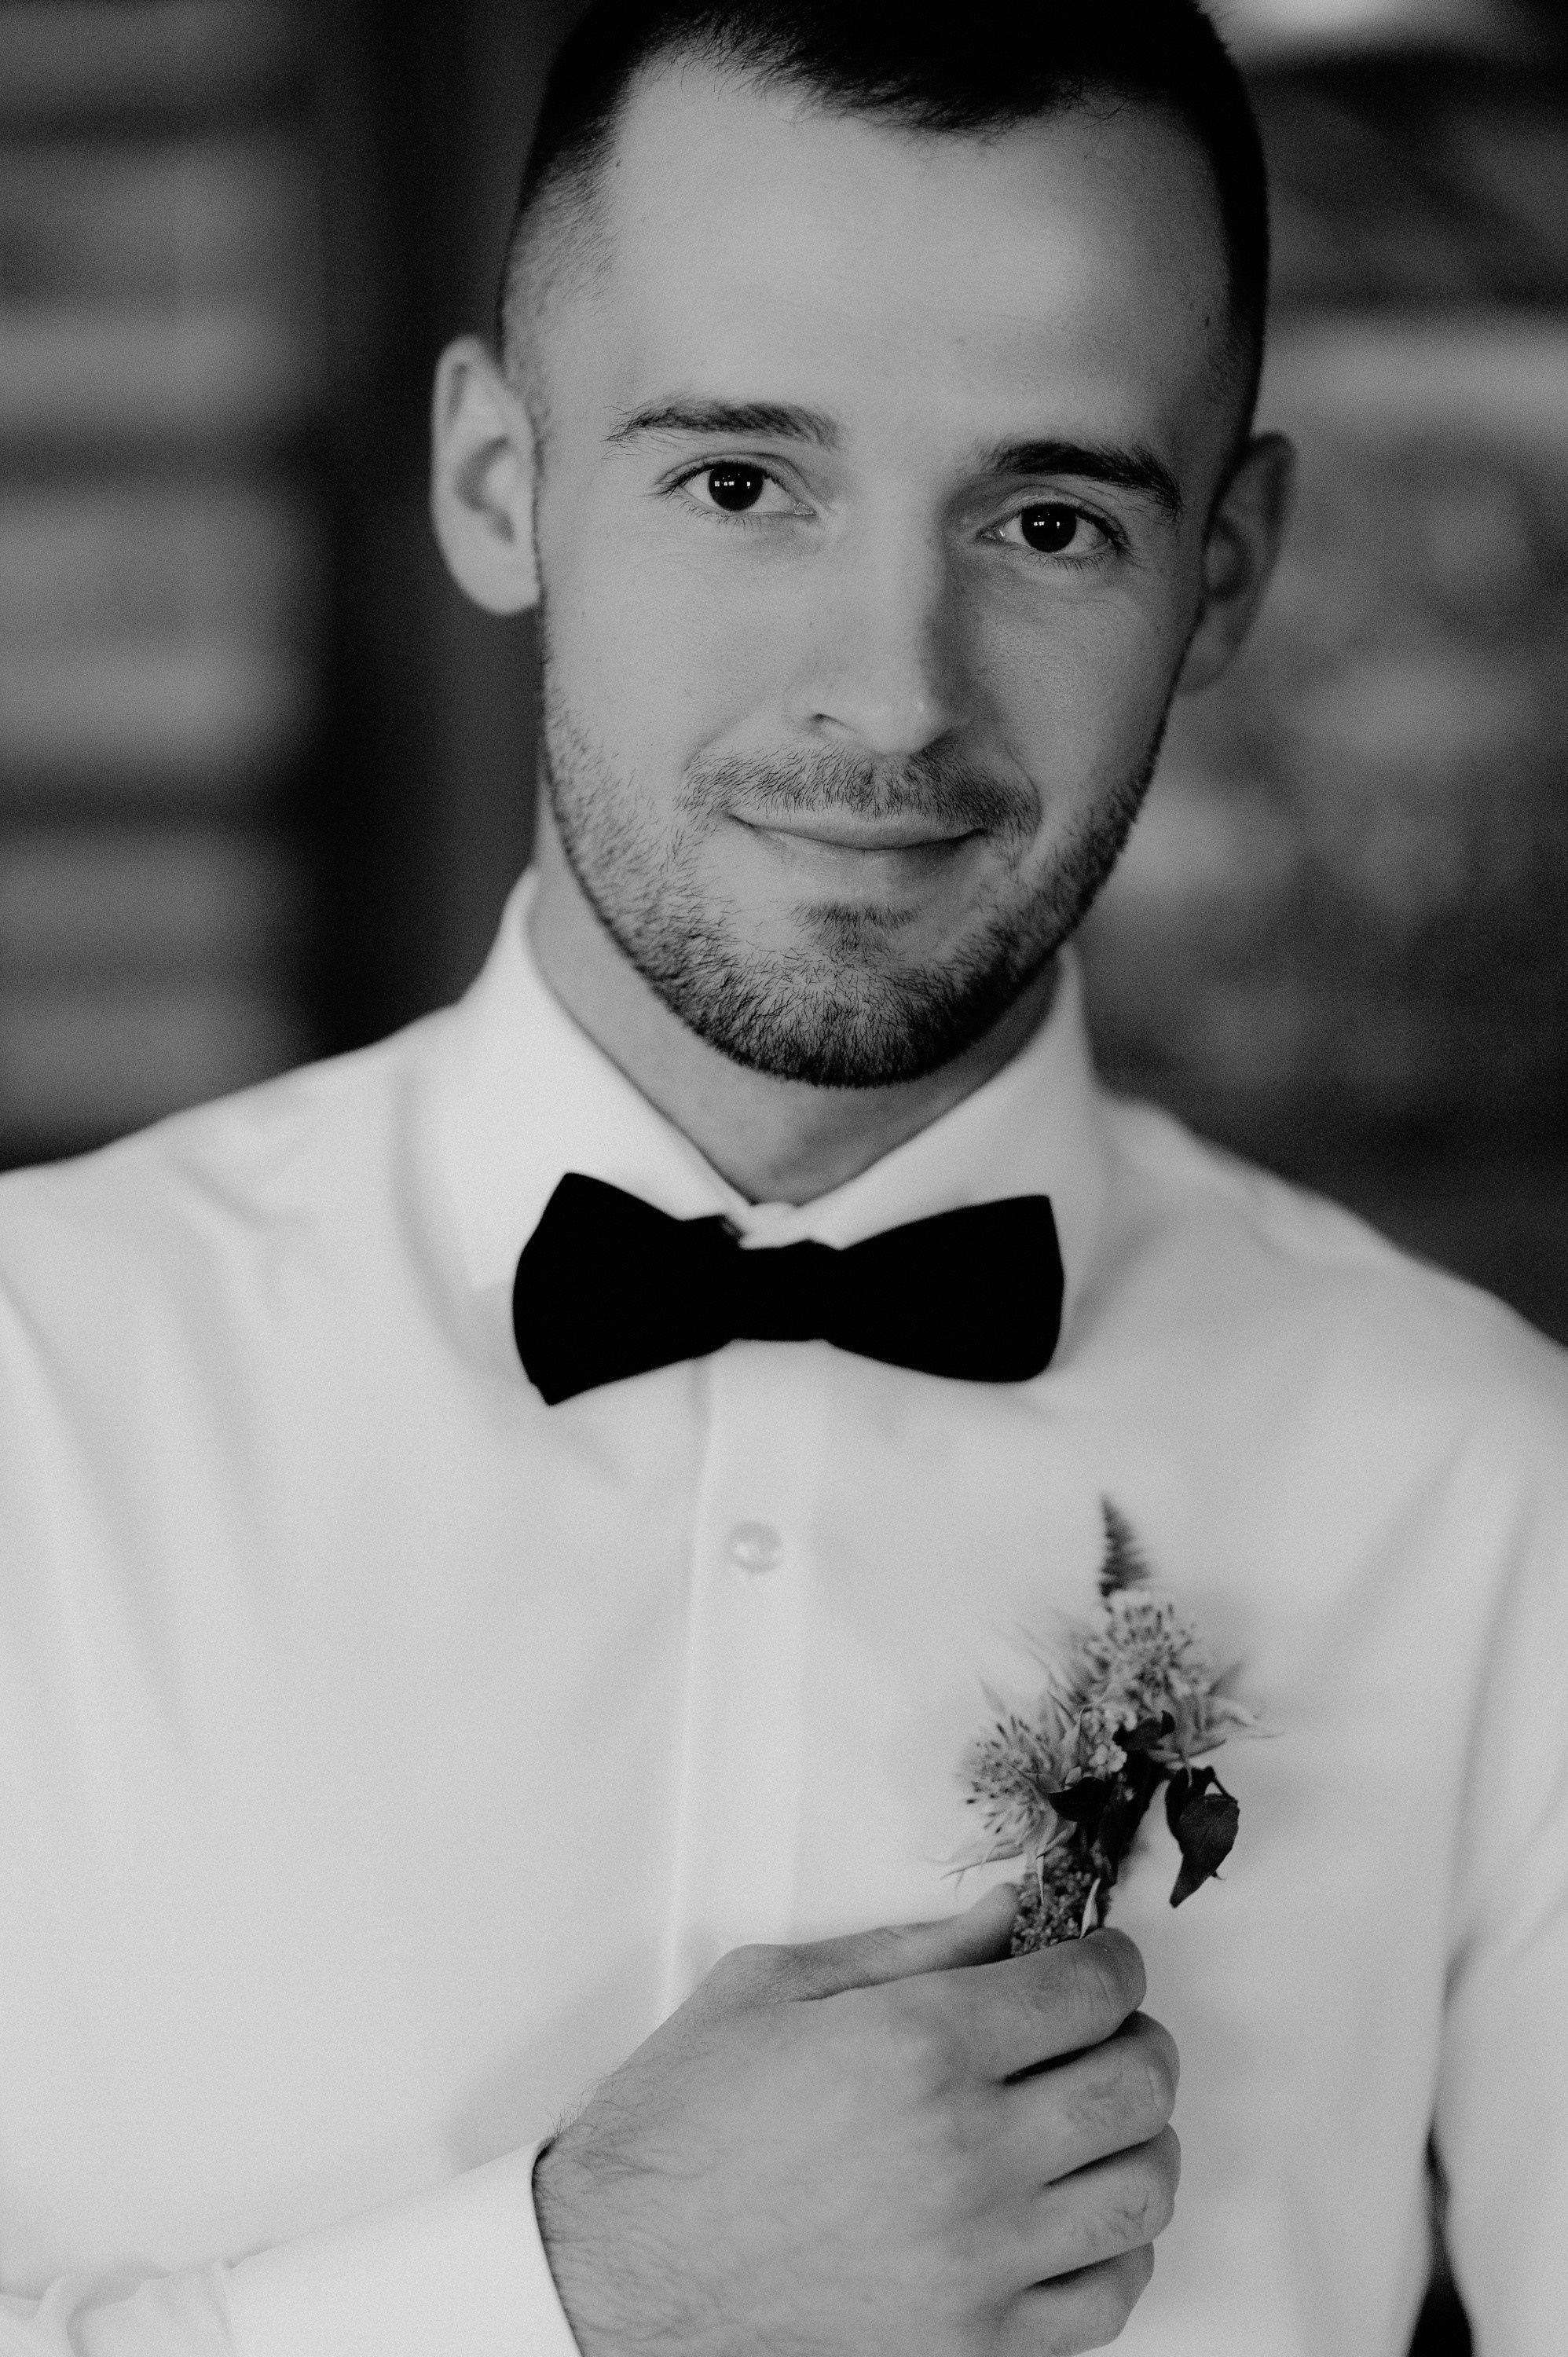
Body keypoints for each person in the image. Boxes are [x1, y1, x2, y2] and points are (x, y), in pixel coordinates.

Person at [0, 2, 1563, 2352]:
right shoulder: (26, 1394)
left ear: (1225, 570)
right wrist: (576, 2291)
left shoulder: (1488, 1489)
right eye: (742, 484)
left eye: (1050, 522)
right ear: (496, 483)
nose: (890, 694)